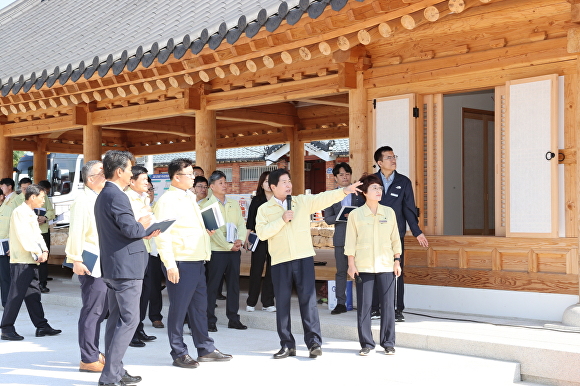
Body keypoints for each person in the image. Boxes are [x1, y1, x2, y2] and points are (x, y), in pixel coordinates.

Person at [255, 168, 361, 359]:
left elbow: (323, 198)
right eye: (284, 182)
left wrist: (344, 191)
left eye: (289, 181)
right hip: (280, 261)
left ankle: (314, 343)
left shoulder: (301, 202)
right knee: (283, 304)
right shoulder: (264, 209)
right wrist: (281, 220)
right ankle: (287, 345)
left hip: (303, 257)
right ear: (273, 186)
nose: (289, 185)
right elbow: (262, 233)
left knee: (308, 301)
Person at [154, 158, 232, 369]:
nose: (193, 178)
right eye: (189, 174)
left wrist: (205, 231)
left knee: (199, 308)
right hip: (181, 261)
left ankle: (205, 348)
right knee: (179, 309)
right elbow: (162, 235)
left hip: (197, 259)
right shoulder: (167, 201)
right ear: (177, 177)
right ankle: (178, 351)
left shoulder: (190, 197)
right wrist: (170, 264)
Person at [94, 150, 159, 386]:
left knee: (117, 320)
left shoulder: (105, 194)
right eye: (130, 169)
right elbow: (130, 230)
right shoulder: (117, 195)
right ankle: (110, 376)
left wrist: (142, 229)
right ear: (120, 171)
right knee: (130, 320)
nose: (132, 173)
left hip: (115, 266)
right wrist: (143, 225)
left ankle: (117, 371)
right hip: (125, 268)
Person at [345, 174, 402, 355]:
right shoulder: (355, 214)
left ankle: (388, 342)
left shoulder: (389, 212)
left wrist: (397, 260)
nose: (379, 191)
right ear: (364, 192)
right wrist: (351, 264)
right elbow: (350, 242)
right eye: (374, 188)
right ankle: (366, 344)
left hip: (386, 265)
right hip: (364, 266)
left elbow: (395, 239)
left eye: (380, 188)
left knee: (387, 305)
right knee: (364, 306)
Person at [372, 146, 429, 323]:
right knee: (374, 270)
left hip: (395, 235)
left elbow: (409, 209)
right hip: (374, 234)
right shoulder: (371, 181)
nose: (393, 160)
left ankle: (397, 309)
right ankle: (375, 308)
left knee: (396, 271)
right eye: (388, 157)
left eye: (394, 156)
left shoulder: (404, 182)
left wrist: (417, 232)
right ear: (380, 163)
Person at [0, 184, 61, 340]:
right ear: (32, 197)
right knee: (15, 296)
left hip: (30, 261)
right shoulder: (20, 212)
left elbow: (37, 235)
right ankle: (6, 328)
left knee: (33, 295)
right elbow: (23, 236)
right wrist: (37, 252)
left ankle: (42, 326)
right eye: (42, 197)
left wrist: (45, 250)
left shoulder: (29, 213)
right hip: (22, 261)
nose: (43, 201)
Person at [65, 160, 108, 372]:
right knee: (93, 310)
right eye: (102, 172)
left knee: (100, 310)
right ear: (90, 179)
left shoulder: (98, 197)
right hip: (90, 262)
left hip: (103, 261)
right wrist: (76, 259)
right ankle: (88, 358)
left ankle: (93, 351)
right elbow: (76, 232)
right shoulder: (83, 200)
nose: (107, 174)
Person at [200, 170, 247, 332]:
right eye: (220, 183)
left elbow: (241, 223)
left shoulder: (233, 203)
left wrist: (240, 239)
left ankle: (233, 318)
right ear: (212, 186)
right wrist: (228, 246)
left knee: (234, 285)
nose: (224, 185)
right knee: (212, 286)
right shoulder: (206, 206)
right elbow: (214, 231)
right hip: (217, 251)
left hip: (234, 250)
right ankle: (209, 319)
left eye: (225, 182)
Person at [323, 162, 364, 315]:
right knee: (341, 271)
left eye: (347, 173)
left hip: (359, 238)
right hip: (341, 238)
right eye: (341, 174)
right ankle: (340, 303)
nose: (345, 176)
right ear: (335, 178)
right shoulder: (330, 196)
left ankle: (364, 303)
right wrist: (343, 216)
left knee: (361, 270)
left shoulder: (360, 193)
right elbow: (327, 219)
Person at [125, 166, 158, 348]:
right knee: (133, 295)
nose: (148, 183)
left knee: (145, 292)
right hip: (134, 249)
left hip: (147, 249)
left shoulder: (144, 198)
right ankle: (130, 333)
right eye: (144, 180)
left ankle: (139, 327)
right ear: (132, 181)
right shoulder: (126, 198)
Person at [244, 171, 275, 313]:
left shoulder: (279, 200)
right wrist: (246, 238)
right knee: (256, 270)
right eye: (266, 181)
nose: (268, 184)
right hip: (259, 239)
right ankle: (251, 301)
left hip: (276, 239)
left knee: (272, 271)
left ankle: (268, 302)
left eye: (271, 181)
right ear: (261, 184)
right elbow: (250, 222)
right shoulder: (257, 200)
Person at [146, 181, 165, 329]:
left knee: (155, 286)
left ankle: (155, 316)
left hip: (156, 252)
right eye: (146, 190)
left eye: (151, 189)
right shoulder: (137, 207)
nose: (149, 192)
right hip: (141, 251)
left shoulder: (159, 206)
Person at [0, 177, 19, 307]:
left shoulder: (10, 210)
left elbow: (15, 229)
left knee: (5, 277)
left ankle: (7, 303)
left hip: (4, 247)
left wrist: (12, 245)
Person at [36, 180, 55, 294]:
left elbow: (51, 211)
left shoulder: (45, 198)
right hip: (30, 232)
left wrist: (45, 217)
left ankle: (42, 283)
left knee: (44, 257)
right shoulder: (22, 198)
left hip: (43, 231)